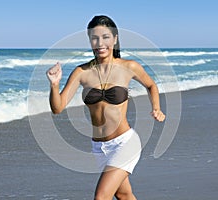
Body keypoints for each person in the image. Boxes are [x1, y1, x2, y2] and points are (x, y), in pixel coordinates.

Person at [46, 15, 165, 200]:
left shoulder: (129, 66)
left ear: (115, 39)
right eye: (94, 38)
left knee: (101, 197)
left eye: (105, 37)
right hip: (99, 147)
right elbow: (57, 108)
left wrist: (156, 108)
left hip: (125, 143)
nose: (100, 43)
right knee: (124, 195)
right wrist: (54, 85)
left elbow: (151, 85)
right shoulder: (81, 72)